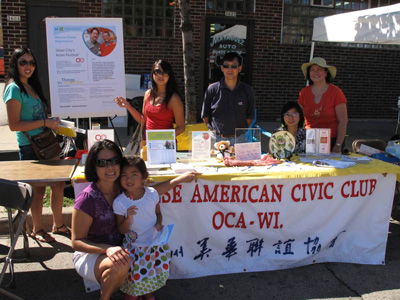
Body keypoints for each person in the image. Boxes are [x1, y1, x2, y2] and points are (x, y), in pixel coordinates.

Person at [3, 47, 68, 243]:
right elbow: (14, 125)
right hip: (30, 146)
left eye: (31, 63)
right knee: (38, 189)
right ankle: (37, 228)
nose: (28, 66)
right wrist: (44, 123)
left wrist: (50, 121)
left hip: (47, 143)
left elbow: (36, 116)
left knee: (58, 183)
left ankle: (59, 224)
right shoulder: (14, 88)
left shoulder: (32, 85)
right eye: (23, 62)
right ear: (15, 64)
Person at [113, 156, 200, 300]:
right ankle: (134, 294)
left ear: (143, 177)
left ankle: (148, 294)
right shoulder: (120, 202)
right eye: (124, 175)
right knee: (136, 275)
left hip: (153, 245)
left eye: (134, 174)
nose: (129, 179)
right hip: (134, 247)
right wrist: (128, 218)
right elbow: (121, 230)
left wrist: (159, 223)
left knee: (150, 273)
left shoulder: (152, 194)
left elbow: (158, 213)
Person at [71, 139, 131, 300]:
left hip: (121, 249)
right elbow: (76, 242)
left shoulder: (124, 189)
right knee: (119, 264)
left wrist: (178, 180)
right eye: (102, 163)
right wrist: (107, 249)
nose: (110, 167)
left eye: (114, 161)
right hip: (90, 253)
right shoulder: (87, 198)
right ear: (93, 166)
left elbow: (151, 192)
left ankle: (126, 289)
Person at [114, 60, 185, 141]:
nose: (160, 75)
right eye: (157, 71)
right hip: (148, 143)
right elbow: (143, 120)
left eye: (164, 72)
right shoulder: (148, 94)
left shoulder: (174, 98)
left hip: (166, 144)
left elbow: (181, 127)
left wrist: (161, 138)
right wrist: (128, 106)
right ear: (152, 73)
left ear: (169, 76)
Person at [201, 51, 255, 146]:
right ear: (222, 68)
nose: (230, 69)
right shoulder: (212, 89)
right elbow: (205, 116)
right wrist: (215, 133)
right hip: (216, 139)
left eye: (234, 66)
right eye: (226, 66)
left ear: (239, 68)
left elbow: (250, 117)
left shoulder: (247, 90)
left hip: (239, 140)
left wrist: (238, 134)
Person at [298, 57, 348, 153]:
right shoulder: (304, 92)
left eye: (319, 69)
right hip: (309, 140)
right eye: (312, 70)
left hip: (332, 141)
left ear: (326, 73)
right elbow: (297, 117)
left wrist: (338, 144)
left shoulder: (336, 92)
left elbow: (343, 121)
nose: (315, 73)